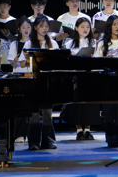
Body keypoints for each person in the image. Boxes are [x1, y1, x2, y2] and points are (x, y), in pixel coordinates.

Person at [23, 15, 59, 150]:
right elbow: (23, 62)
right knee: (34, 113)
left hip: (48, 80)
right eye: (41, 26)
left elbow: (58, 61)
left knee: (48, 113)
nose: (44, 29)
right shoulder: (29, 43)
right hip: (33, 81)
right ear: (35, 27)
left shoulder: (53, 43)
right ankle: (33, 142)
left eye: (46, 26)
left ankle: (49, 140)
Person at [96, 15, 118, 147]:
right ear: (109, 26)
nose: (117, 27)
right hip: (108, 82)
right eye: (114, 24)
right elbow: (97, 62)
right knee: (109, 111)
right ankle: (110, 137)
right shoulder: (102, 43)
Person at [62, 18, 99, 140]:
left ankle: (88, 129)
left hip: (90, 75)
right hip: (75, 75)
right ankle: (78, 130)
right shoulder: (70, 43)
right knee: (76, 103)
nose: (85, 29)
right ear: (76, 28)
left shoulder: (94, 42)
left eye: (87, 27)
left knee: (89, 103)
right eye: (82, 26)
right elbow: (65, 61)